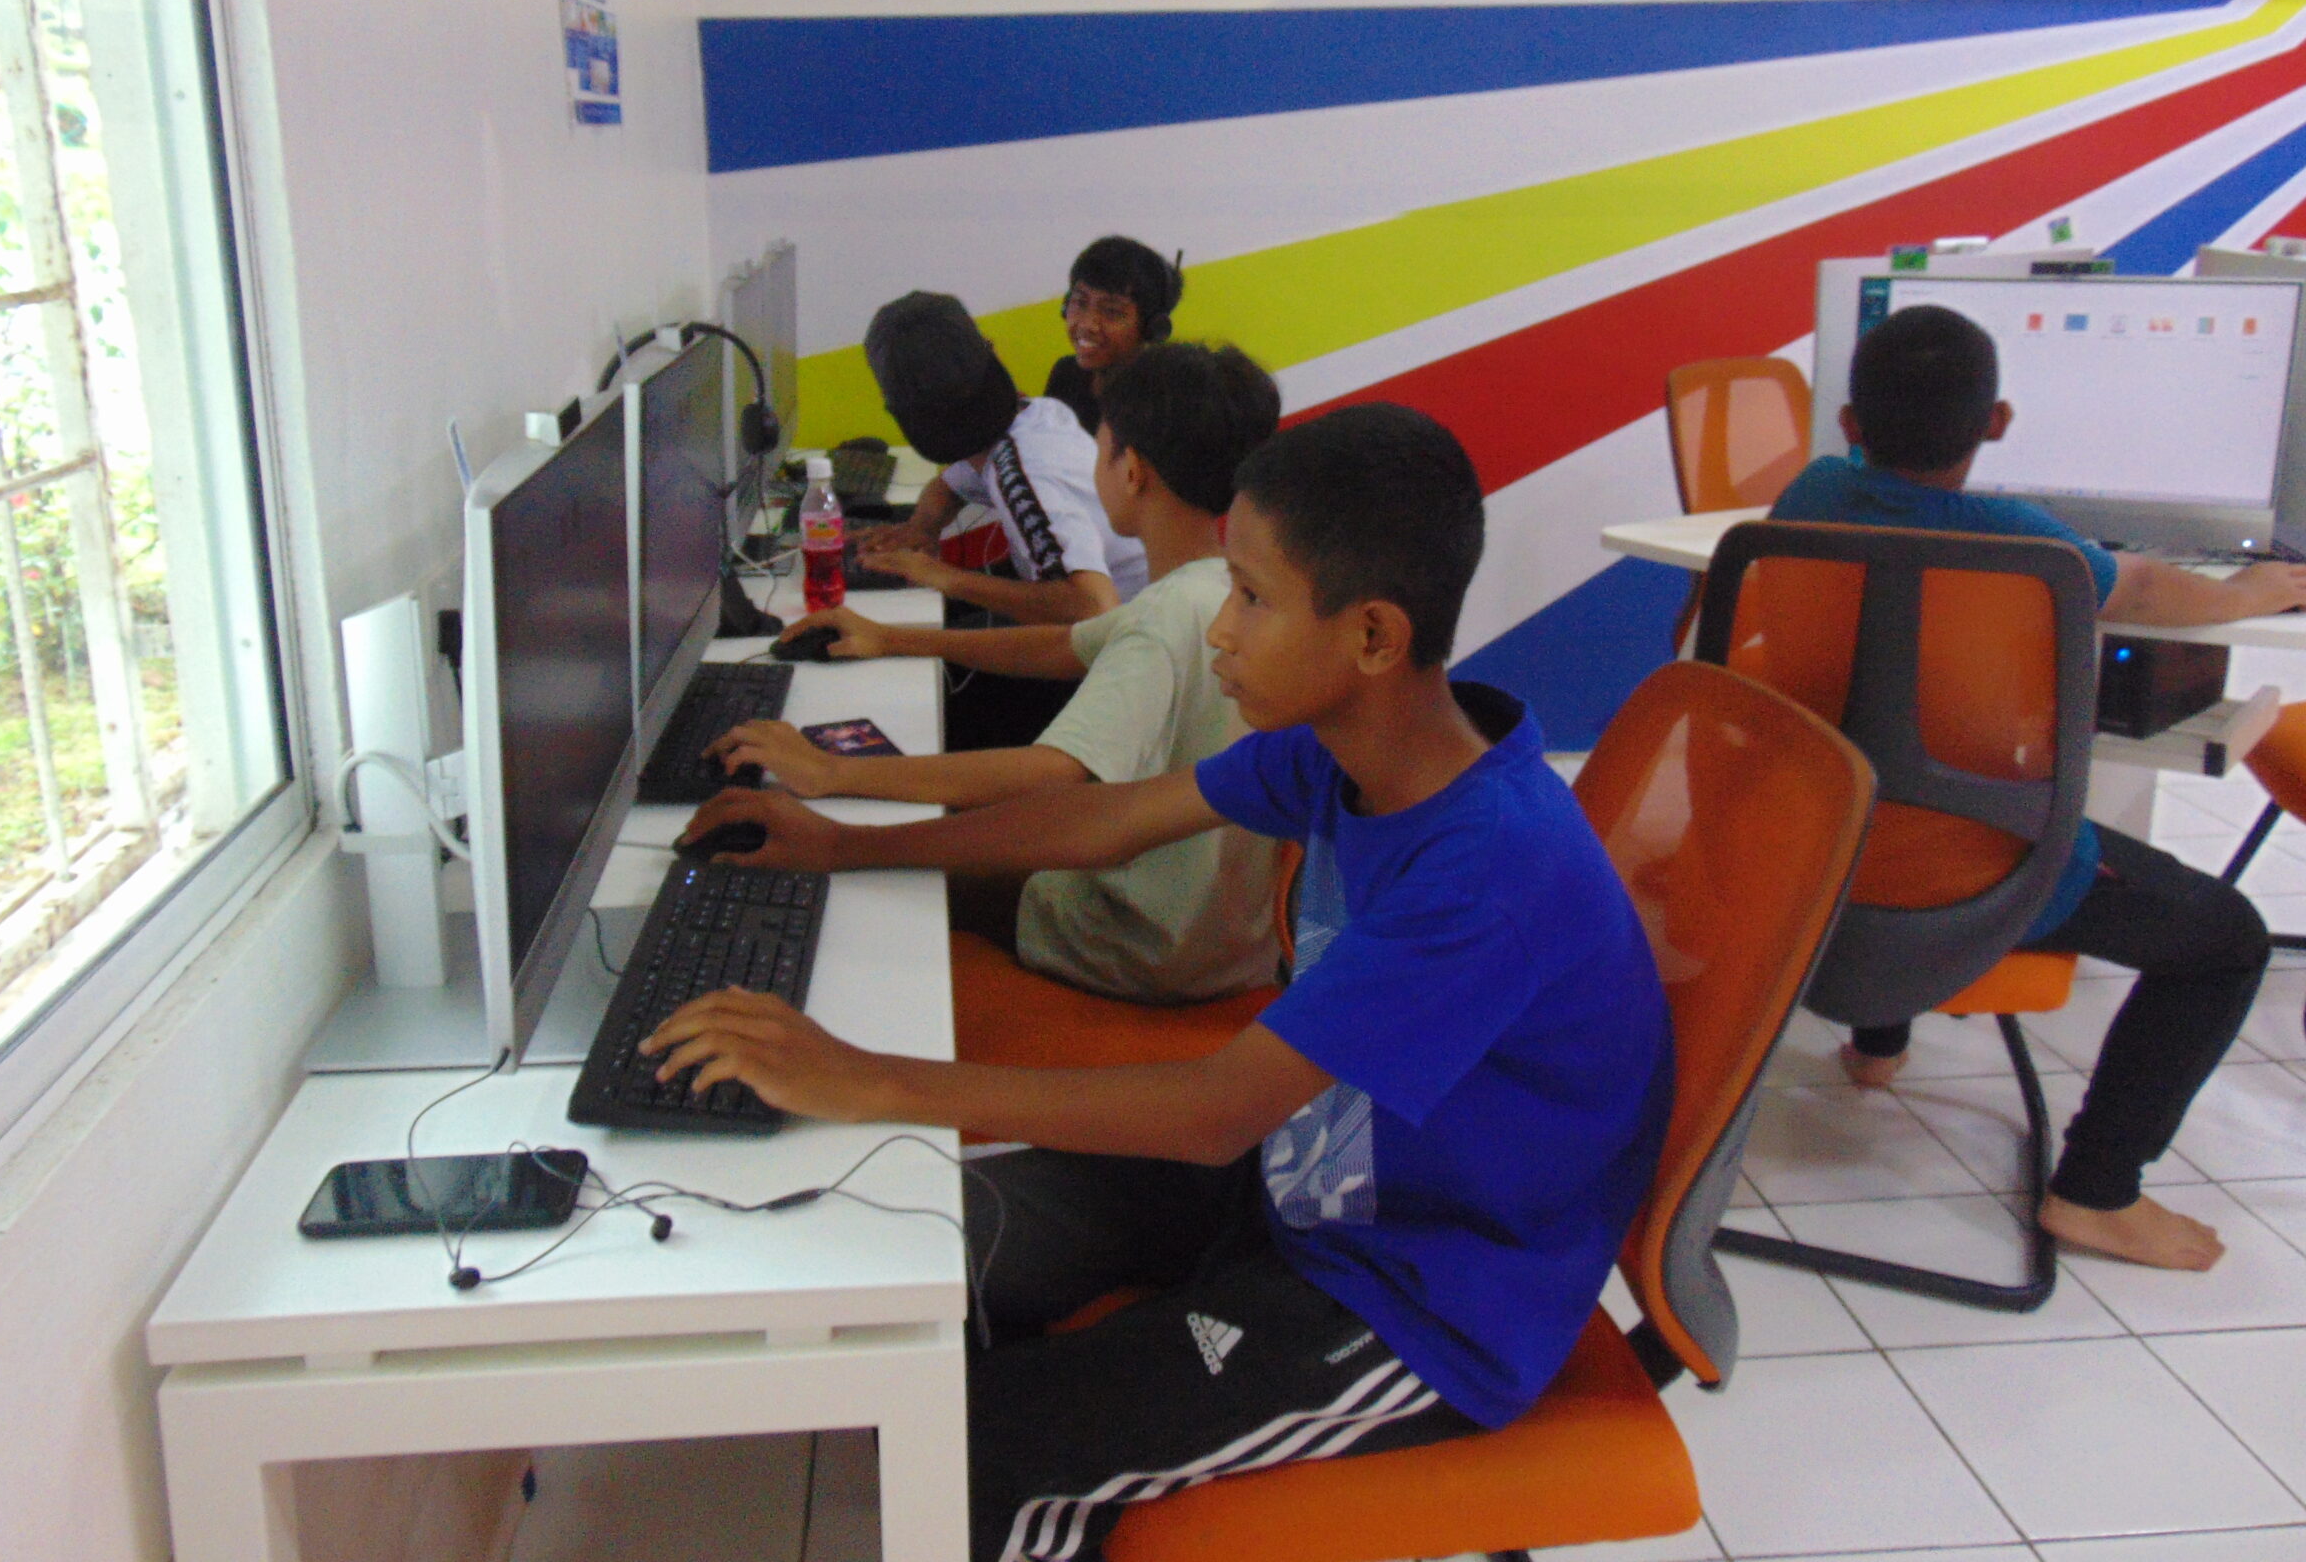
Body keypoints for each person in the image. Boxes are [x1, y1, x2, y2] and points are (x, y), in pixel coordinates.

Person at [651, 405, 1674, 1562]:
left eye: (1250, 596)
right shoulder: (1346, 747)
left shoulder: (1487, 873)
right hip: (1306, 1178)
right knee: (930, 1238)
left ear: (1372, 636)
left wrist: (866, 1078)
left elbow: (1211, 1113)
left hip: (1422, 1296)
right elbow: (1106, 820)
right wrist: (840, 844)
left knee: (985, 1450)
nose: (1219, 630)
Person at [1775, 303, 2306, 1272]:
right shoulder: (2024, 544)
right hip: (1969, 874)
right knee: (2227, 940)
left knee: (1887, 756)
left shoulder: (1811, 494)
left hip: (1809, 854)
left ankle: (1876, 1047)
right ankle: (2097, 1192)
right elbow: (2144, 588)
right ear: (1997, 423)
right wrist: (2247, 593)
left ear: (1850, 423)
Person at [724, 342, 1285, 1000]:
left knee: (866, 883)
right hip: (1221, 938)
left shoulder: (1165, 617)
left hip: (1134, 943)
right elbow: (1067, 645)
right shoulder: (1217, 589)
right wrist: (894, 639)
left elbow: (1051, 773)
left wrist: (834, 776)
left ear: (1131, 471)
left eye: (1100, 445)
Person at [853, 291, 1147, 626]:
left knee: (914, 640)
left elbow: (1094, 606)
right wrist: (922, 528)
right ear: (990, 352)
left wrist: (943, 577)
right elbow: (946, 486)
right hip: (1103, 618)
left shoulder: (1023, 474)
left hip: (1126, 633)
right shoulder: (1029, 419)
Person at [1042, 235, 1182, 436]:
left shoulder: (1164, 403)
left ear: (1153, 327)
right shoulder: (1066, 375)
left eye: (1111, 311)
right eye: (1080, 303)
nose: (1087, 325)